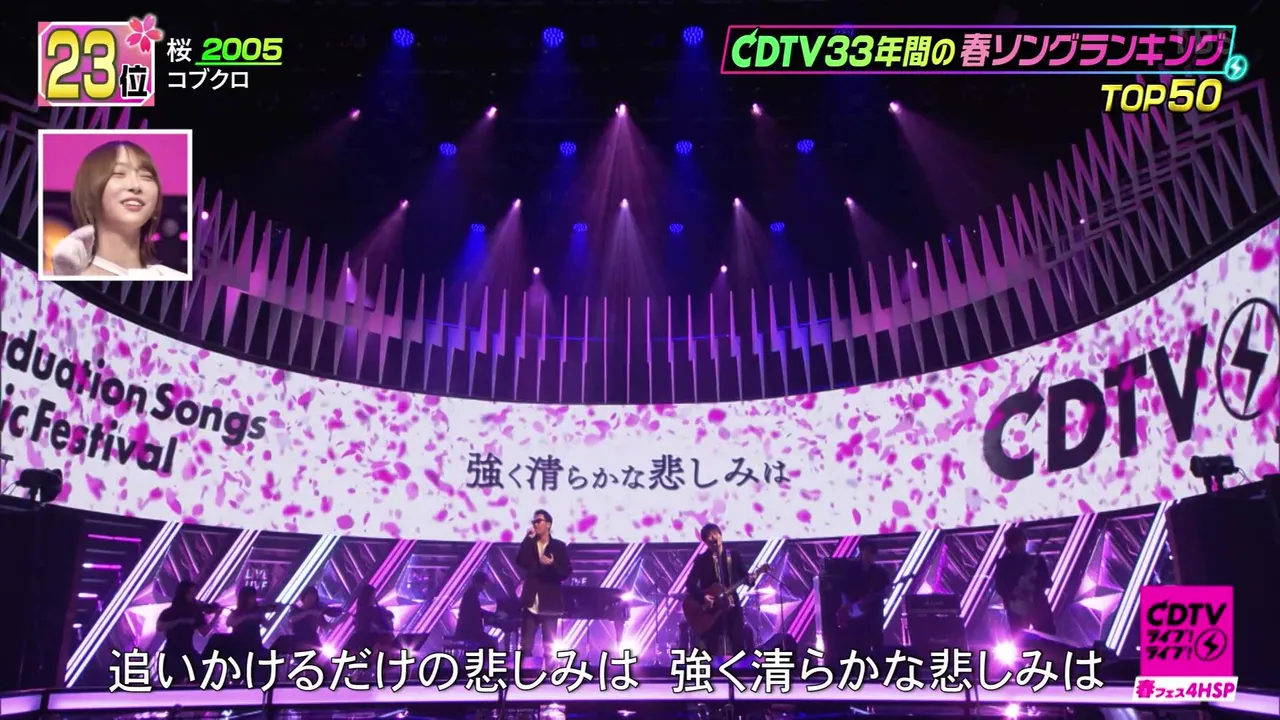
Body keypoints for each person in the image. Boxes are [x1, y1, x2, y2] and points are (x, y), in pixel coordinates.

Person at [47, 141, 185, 279]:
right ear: (90, 192)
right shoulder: (60, 277)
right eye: (119, 174)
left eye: (146, 177)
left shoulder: (173, 279)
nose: (135, 185)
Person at [684, 523, 760, 657]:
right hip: (711, 611)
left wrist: (751, 579)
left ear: (720, 535)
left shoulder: (733, 556)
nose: (713, 537)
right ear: (705, 542)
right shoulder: (701, 560)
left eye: (715, 533)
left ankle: (739, 668)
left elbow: (745, 578)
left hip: (732, 606)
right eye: (709, 536)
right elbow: (690, 584)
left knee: (738, 644)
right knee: (711, 648)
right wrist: (703, 597)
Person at [515, 509, 572, 664]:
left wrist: (553, 564)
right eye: (534, 522)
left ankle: (550, 673)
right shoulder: (530, 544)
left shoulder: (559, 546)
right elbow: (521, 561)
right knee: (526, 645)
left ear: (548, 524)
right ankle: (524, 674)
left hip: (550, 602)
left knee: (549, 646)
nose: (536, 524)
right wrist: (526, 539)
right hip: (531, 603)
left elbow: (565, 572)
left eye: (539, 521)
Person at [994, 527, 1056, 634]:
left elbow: (1047, 582)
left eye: (1020, 541)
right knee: (1042, 636)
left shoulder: (1004, 563)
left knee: (1024, 637)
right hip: (1027, 606)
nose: (1019, 545)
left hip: (1027, 606)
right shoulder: (1004, 564)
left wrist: (1034, 579)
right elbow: (1000, 587)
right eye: (1015, 543)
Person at [155, 580, 218, 684]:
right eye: (190, 593)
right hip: (172, 650)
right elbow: (159, 627)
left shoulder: (195, 612)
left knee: (201, 677)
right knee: (173, 680)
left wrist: (216, 616)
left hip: (188, 649)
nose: (193, 597)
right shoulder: (170, 611)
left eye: (194, 594)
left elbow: (204, 632)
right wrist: (180, 621)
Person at [837, 544, 891, 653]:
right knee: (858, 646)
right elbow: (843, 588)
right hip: (856, 616)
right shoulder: (852, 571)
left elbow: (885, 592)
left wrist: (875, 597)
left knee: (877, 645)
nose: (867, 556)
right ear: (861, 552)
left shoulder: (880, 573)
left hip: (874, 615)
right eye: (865, 552)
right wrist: (845, 604)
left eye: (870, 554)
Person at [224, 586, 281, 676]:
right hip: (240, 648)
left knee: (271, 659)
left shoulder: (257, 611)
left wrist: (277, 613)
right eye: (252, 597)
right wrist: (247, 617)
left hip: (256, 646)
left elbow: (267, 625)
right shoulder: (237, 612)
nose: (254, 599)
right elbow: (229, 623)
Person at [350, 585, 397, 655]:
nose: (374, 599)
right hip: (371, 644)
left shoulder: (374, 611)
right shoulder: (367, 614)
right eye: (372, 596)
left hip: (372, 644)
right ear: (367, 597)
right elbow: (373, 630)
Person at [454, 574, 495, 650]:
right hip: (468, 631)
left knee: (489, 641)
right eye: (483, 584)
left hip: (468, 629)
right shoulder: (471, 594)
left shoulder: (471, 593)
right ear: (478, 583)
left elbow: (476, 611)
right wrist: (491, 615)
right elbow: (475, 611)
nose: (483, 588)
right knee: (490, 642)